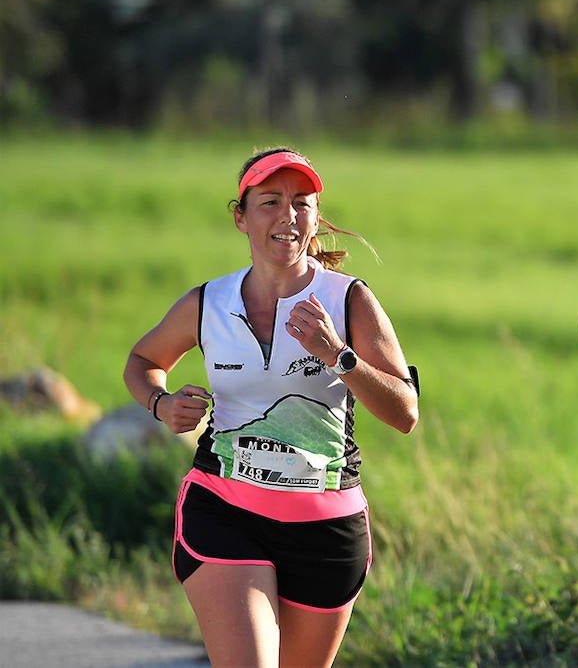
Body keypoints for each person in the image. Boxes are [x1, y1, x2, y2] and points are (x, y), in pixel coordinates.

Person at [124, 147, 419, 668]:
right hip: (225, 509)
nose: (287, 215)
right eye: (269, 201)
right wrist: (160, 402)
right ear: (240, 217)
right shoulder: (208, 302)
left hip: (326, 525)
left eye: (301, 202)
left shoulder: (348, 300)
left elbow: (404, 413)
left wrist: (339, 357)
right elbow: (143, 359)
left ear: (315, 217)